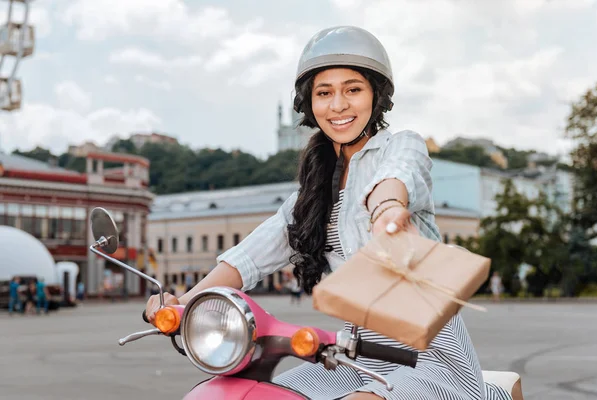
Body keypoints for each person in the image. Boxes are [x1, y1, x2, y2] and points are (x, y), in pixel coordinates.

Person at [146, 26, 511, 400]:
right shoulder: (311, 195)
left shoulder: (404, 146)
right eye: (324, 93)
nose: (338, 105)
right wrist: (184, 301)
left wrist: (389, 209)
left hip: (431, 357)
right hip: (356, 357)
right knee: (262, 392)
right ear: (310, 104)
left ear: (376, 96)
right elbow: (249, 258)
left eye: (352, 89)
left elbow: (397, 177)